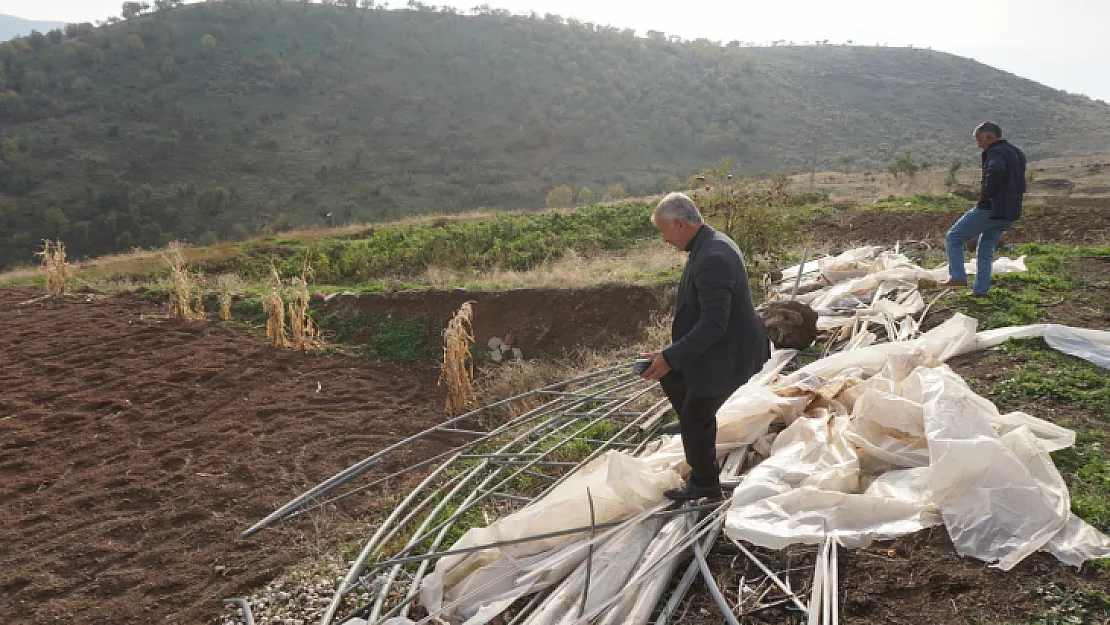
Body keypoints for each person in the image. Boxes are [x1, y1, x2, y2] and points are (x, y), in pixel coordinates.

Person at [639, 192, 772, 501]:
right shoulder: (711, 243)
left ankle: (704, 482)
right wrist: (669, 358)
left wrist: (671, 356)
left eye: (664, 230)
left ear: (679, 223)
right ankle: (692, 425)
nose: (664, 238)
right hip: (724, 344)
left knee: (696, 415)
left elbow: (714, 324)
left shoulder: (713, 257)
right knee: (671, 376)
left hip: (730, 353)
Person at [938, 122, 1027, 297]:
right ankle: (980, 290)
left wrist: (986, 197)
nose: (978, 144)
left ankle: (957, 277)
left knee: (953, 237)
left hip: (992, 208)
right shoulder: (1018, 153)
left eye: (979, 140)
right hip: (1011, 211)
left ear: (989, 137)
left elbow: (995, 172)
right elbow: (1021, 183)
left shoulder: (995, 152)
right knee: (986, 248)